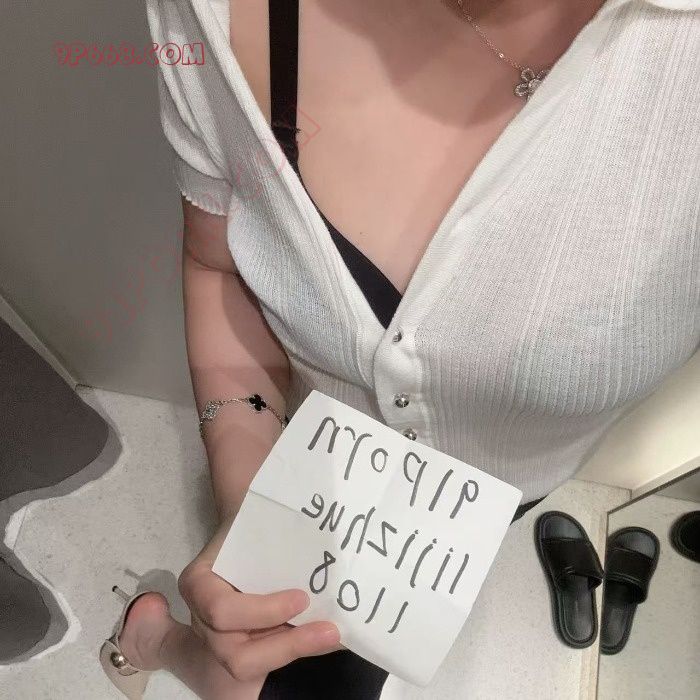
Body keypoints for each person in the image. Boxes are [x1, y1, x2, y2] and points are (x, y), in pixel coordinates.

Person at [99, 0, 700, 698]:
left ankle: (153, 640)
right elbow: (217, 264)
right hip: (306, 471)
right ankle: (155, 641)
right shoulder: (214, 15)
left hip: (502, 496)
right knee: (272, 677)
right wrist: (245, 486)